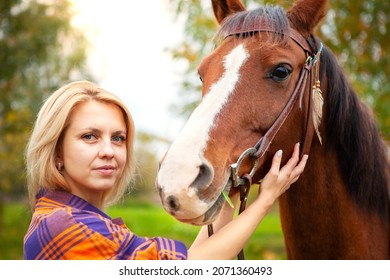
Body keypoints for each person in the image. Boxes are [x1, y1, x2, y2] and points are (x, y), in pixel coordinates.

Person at [23, 80, 308, 260]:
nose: (109, 150)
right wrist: (266, 199)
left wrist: (228, 190)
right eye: (90, 137)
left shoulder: (80, 219)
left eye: (118, 138)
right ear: (57, 152)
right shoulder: (63, 226)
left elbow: (193, 259)